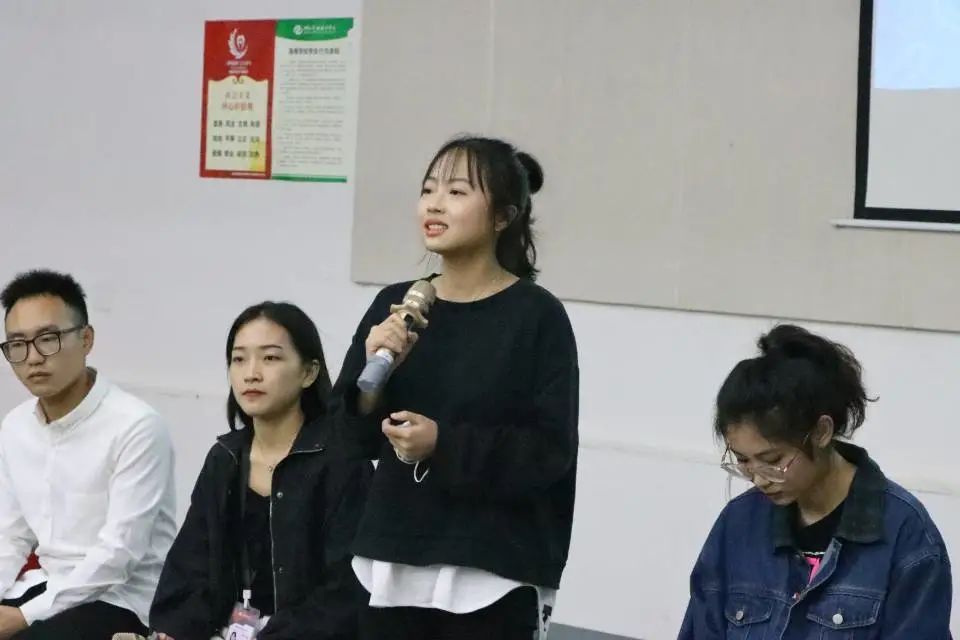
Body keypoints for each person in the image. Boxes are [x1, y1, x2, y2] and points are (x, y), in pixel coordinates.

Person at [332, 136, 580, 639]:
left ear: (503, 216)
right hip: (393, 558)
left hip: (492, 567)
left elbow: (549, 452)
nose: (435, 204)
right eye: (428, 190)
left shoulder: (537, 316)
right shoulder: (397, 305)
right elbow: (347, 437)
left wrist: (442, 444)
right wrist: (374, 378)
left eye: (457, 192)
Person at [679, 324, 953, 638]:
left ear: (822, 432)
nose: (758, 479)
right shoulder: (738, 524)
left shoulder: (904, 534)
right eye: (743, 461)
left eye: (773, 460)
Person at [150, 302, 371, 640]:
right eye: (239, 359)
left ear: (309, 372)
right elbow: (191, 565)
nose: (251, 373)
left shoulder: (341, 461)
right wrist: (177, 628)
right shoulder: (225, 458)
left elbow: (346, 590)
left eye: (270, 358)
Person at [0, 269, 177, 639]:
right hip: (47, 584)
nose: (32, 358)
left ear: (86, 339)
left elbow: (118, 556)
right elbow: (11, 535)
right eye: (17, 344)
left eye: (47, 339)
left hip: (121, 599)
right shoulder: (15, 427)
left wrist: (22, 617)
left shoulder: (137, 426)